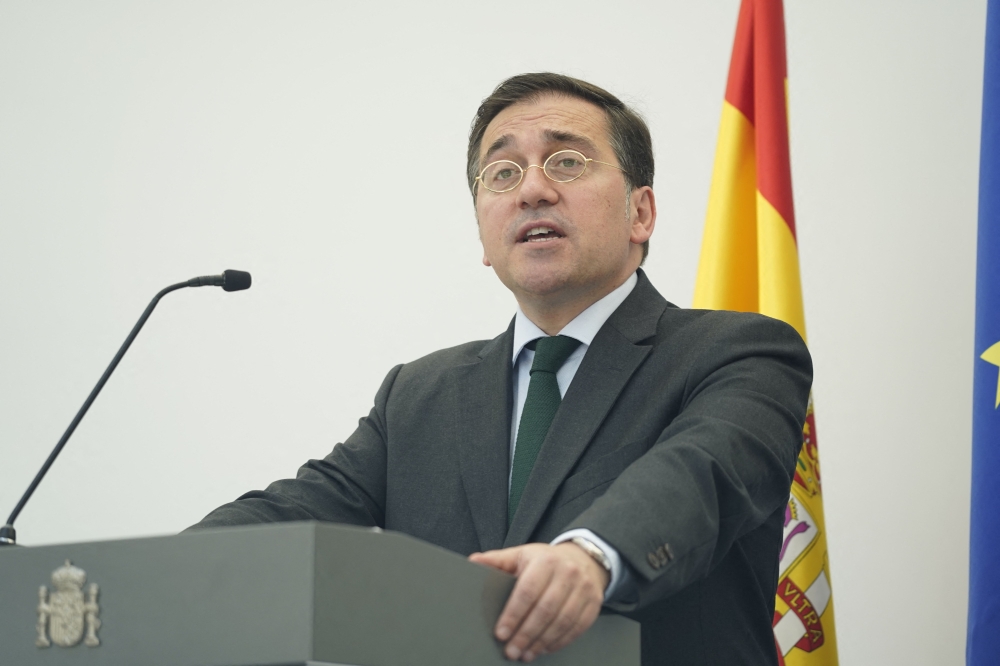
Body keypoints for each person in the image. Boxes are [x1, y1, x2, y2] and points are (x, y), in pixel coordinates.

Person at [190, 73, 812, 666]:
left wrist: (589, 557)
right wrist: (150, 569)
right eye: (502, 172)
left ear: (641, 213)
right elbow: (296, 512)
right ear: (484, 238)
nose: (532, 190)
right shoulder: (419, 396)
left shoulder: (741, 353)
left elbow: (701, 475)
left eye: (568, 161)